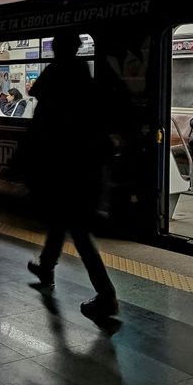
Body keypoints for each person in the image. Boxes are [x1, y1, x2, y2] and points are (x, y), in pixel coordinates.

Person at [25, 32, 118, 320]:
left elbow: (39, 135)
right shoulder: (87, 83)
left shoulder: (56, 87)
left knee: (76, 230)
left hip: (68, 171)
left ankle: (106, 296)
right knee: (62, 220)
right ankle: (46, 266)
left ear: (56, 51)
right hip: (89, 171)